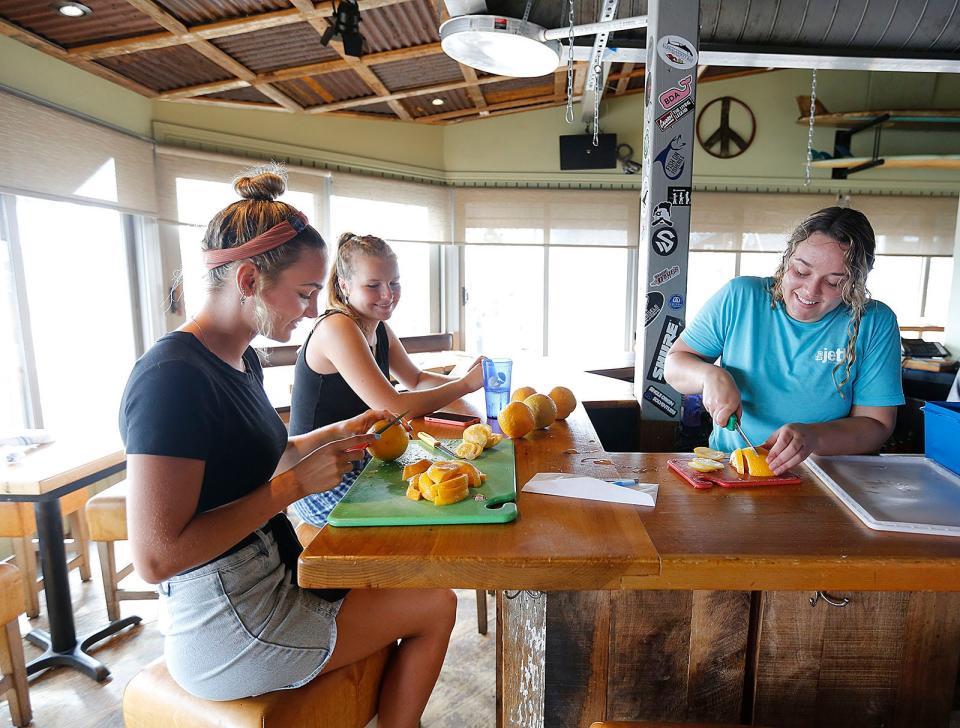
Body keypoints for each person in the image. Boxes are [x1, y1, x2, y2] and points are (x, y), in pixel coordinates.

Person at [119, 166, 456, 726]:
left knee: (400, 577)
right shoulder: (171, 378)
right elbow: (156, 558)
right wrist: (292, 488)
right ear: (248, 280)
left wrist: (335, 435)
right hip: (228, 628)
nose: (308, 311)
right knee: (437, 603)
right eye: (302, 294)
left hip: (267, 580)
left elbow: (261, 457)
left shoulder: (237, 355)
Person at [665, 206, 904, 475]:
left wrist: (814, 437)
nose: (810, 291)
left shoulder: (874, 321)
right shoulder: (740, 296)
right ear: (787, 259)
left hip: (826, 477)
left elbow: (876, 424)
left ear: (858, 282)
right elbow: (674, 365)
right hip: (732, 467)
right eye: (801, 272)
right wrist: (709, 375)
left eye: (835, 283)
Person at [289, 233, 484, 528]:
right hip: (318, 479)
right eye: (373, 285)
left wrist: (466, 378)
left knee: (449, 489)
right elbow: (394, 407)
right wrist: (465, 385)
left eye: (394, 283)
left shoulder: (378, 327)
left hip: (365, 461)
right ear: (344, 285)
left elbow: (416, 379)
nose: (387, 295)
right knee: (425, 516)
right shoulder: (337, 327)